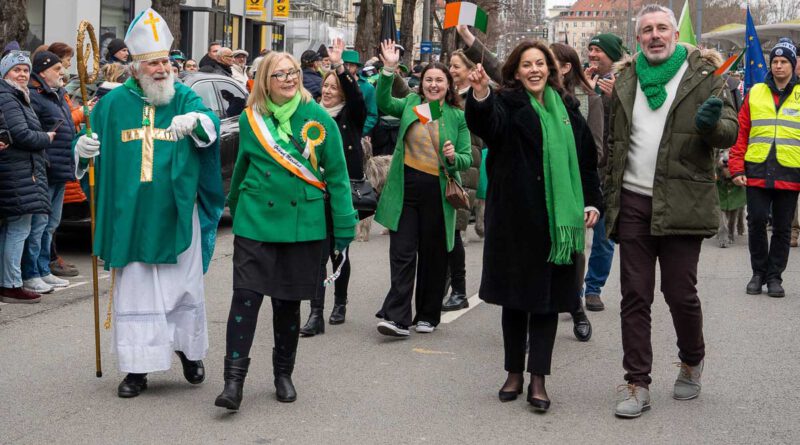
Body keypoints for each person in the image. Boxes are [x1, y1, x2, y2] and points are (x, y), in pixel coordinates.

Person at [72, 8, 225, 398]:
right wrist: (82, 150)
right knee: (137, 289)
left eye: (166, 61)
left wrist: (195, 123)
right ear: (135, 67)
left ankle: (188, 353)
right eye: (153, 62)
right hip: (131, 215)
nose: (162, 69)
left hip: (175, 211)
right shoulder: (111, 104)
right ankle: (137, 369)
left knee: (182, 287)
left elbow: (209, 123)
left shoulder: (183, 95)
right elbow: (93, 151)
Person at [604, 5, 738, 418]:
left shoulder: (705, 76)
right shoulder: (626, 78)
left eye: (663, 27)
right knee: (634, 295)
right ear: (638, 38)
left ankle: (692, 360)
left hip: (683, 200)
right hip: (633, 201)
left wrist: (712, 125)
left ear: (675, 35)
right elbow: (614, 142)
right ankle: (637, 383)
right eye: (647, 30)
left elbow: (729, 131)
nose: (656, 35)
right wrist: (606, 192)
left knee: (679, 294)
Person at [214, 51, 356, 411]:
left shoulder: (318, 118)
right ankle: (233, 382)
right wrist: (232, 206)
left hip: (301, 226)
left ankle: (283, 374)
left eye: (293, 72)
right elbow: (242, 168)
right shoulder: (250, 120)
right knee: (245, 299)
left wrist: (343, 228)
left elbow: (337, 178)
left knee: (287, 304)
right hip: (256, 221)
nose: (290, 79)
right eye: (281, 74)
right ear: (265, 81)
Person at [465, 39, 602, 413]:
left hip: (557, 225)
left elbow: (587, 162)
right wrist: (479, 95)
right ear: (515, 71)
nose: (535, 70)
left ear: (552, 69)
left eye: (540, 63)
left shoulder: (568, 110)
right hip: (515, 220)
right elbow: (488, 127)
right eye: (527, 65)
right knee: (516, 301)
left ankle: (538, 378)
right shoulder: (506, 105)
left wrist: (591, 201)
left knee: (547, 305)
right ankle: (513, 372)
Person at [373, 40, 472, 337]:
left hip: (438, 192)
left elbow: (467, 158)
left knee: (433, 256)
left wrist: (455, 157)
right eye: (428, 79)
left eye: (439, 80)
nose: (433, 84)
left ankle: (428, 315)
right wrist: (388, 69)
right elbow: (384, 102)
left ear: (448, 85)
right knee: (402, 253)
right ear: (422, 83)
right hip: (406, 188)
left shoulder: (457, 116)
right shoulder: (411, 104)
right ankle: (397, 318)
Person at [299, 38, 367, 335]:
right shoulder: (310, 114)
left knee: (339, 250)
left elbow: (355, 96)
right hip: (313, 191)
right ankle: (316, 313)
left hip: (341, 191)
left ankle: (340, 301)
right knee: (316, 252)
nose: (327, 92)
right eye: (324, 87)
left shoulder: (352, 115)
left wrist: (339, 68)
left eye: (333, 88)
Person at [729, 38, 799, 298]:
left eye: (784, 62)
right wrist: (736, 168)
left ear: (793, 65)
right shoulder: (755, 92)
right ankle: (758, 273)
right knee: (756, 222)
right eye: (775, 62)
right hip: (756, 169)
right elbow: (741, 133)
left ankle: (774, 277)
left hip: (790, 173)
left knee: (782, 228)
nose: (778, 66)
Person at [550, 42, 606, 342]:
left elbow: (596, 152)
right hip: (540, 187)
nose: (541, 67)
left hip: (572, 188)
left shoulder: (589, 99)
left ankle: (577, 306)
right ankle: (538, 315)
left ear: (565, 67)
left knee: (573, 254)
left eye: (548, 61)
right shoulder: (537, 96)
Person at [0, 51, 55, 303]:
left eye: (25, 69)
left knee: (17, 227)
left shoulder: (18, 96)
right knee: (18, 228)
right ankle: (10, 283)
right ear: (5, 73)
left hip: (24, 169)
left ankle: (10, 280)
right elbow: (19, 133)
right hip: (16, 171)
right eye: (16, 70)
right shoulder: (8, 97)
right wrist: (46, 138)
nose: (22, 74)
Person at [22, 51, 78, 292]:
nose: (61, 72)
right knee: (38, 224)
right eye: (57, 69)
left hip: (60, 168)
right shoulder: (37, 96)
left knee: (51, 223)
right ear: (43, 71)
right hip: (46, 168)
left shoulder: (57, 93)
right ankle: (31, 272)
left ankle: (44, 268)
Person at [581, 32, 628, 312]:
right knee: (575, 236)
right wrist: (585, 90)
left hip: (611, 174)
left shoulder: (627, 83)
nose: (592, 55)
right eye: (590, 50)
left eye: (598, 50)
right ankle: (571, 289)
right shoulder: (582, 80)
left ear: (612, 55)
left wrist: (616, 99)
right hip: (583, 170)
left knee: (604, 237)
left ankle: (593, 288)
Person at [440, 48, 483, 312]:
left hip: (464, 170)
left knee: (453, 232)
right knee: (445, 233)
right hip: (443, 168)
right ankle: (443, 287)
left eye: (456, 66)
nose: (452, 70)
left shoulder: (475, 99)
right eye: (451, 66)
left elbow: (478, 137)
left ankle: (459, 290)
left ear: (470, 70)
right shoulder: (448, 96)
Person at [46, 42, 83, 278]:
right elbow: (62, 119)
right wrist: (83, 111)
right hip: (52, 162)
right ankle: (43, 263)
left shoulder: (60, 92)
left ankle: (48, 260)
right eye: (61, 64)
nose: (65, 69)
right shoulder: (47, 95)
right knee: (43, 221)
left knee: (52, 220)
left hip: (61, 162)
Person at [342, 50, 378, 137]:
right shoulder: (335, 83)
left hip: (355, 134)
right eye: (345, 64)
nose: (348, 67)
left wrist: (360, 131)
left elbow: (372, 115)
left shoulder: (368, 87)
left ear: (357, 67)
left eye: (352, 65)